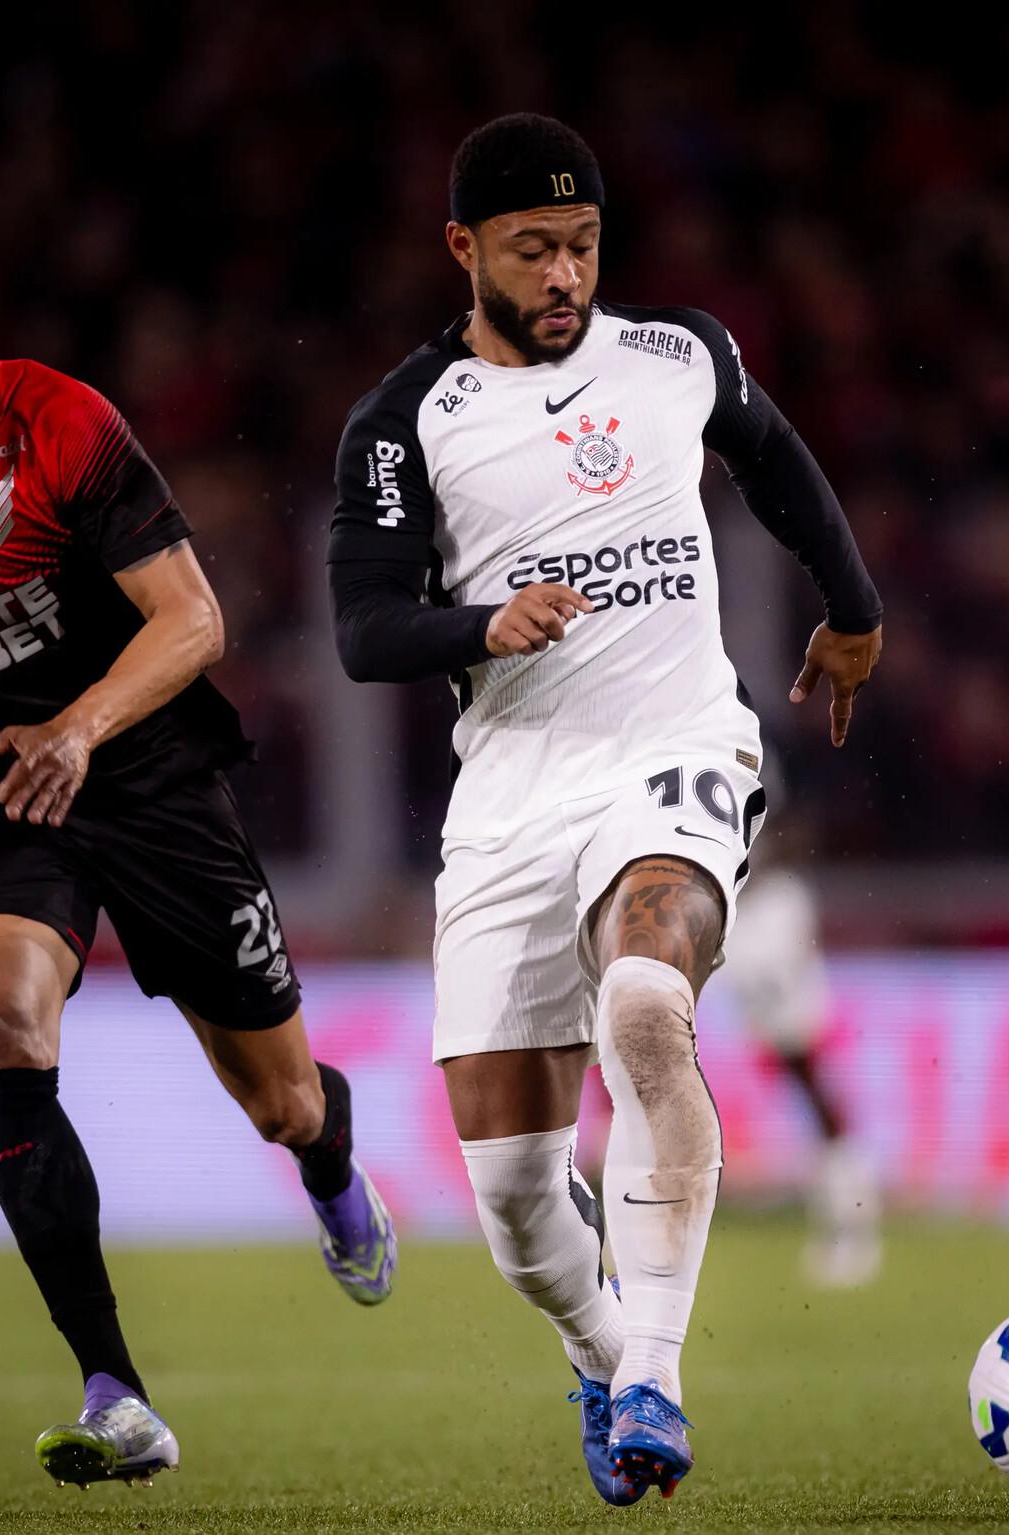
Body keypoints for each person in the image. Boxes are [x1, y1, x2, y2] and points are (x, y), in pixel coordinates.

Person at [0, 236, 396, 1488]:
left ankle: (328, 1155)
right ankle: (116, 1389)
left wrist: (79, 727)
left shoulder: (62, 425)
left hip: (151, 774)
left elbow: (193, 618)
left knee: (280, 1103)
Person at [328, 115, 882, 1502]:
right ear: (463, 249)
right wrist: (480, 620)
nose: (564, 273)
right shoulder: (404, 421)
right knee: (515, 1199)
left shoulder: (677, 354)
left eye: (581, 244)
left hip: (675, 742)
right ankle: (599, 1345)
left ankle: (655, 1374)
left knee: (645, 1001)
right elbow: (364, 630)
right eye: (532, 249)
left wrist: (854, 608)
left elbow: (775, 459)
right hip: (513, 786)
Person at [713, 817, 881, 1288]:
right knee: (820, 1116)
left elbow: (777, 967)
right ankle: (844, 1216)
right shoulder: (742, 904)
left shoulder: (782, 899)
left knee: (824, 1112)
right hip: (764, 1022)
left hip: (793, 1017)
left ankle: (851, 1220)